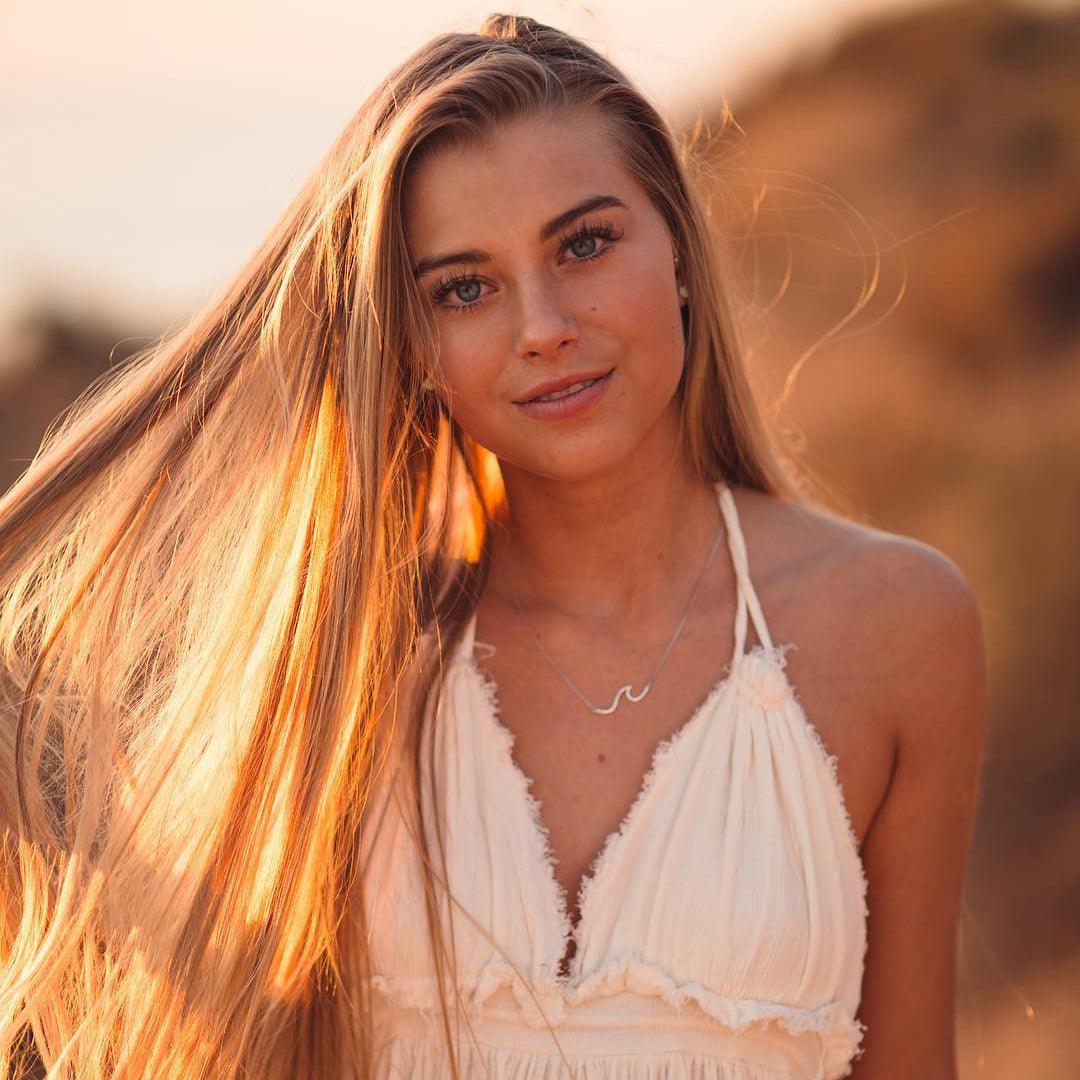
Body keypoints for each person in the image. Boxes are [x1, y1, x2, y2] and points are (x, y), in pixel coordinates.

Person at [0, 12, 986, 1080]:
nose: (543, 325)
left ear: (681, 251)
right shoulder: (346, 661)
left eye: (585, 243)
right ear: (415, 346)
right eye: (465, 288)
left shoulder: (893, 624)